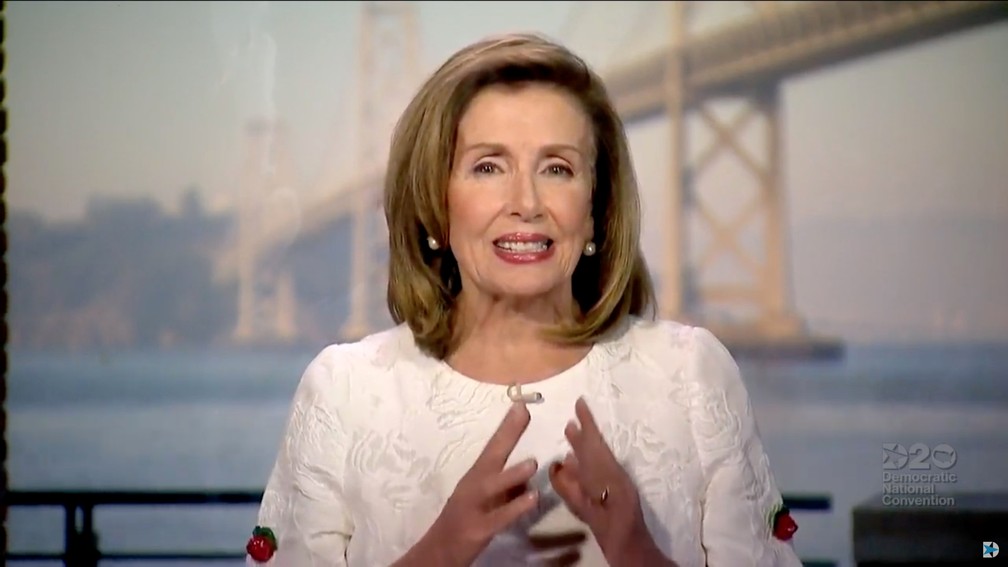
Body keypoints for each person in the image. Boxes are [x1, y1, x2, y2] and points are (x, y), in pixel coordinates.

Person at [246, 32, 803, 567]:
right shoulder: (344, 392)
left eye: (557, 168)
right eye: (488, 166)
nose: (526, 202)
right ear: (435, 204)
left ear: (594, 210)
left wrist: (636, 551)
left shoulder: (691, 376)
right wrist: (441, 551)